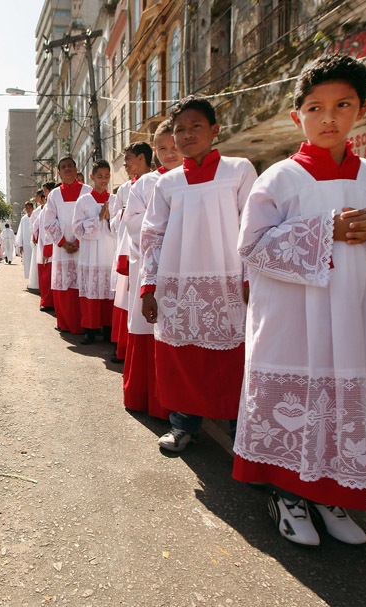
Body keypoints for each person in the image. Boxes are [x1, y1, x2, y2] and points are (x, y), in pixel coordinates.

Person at [234, 54, 366, 546]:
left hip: (353, 315)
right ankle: (287, 493)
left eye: (342, 105)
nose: (328, 117)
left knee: (341, 403)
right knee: (292, 403)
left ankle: (332, 494)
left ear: (361, 110)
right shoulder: (279, 178)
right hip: (289, 318)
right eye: (315, 107)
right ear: (298, 114)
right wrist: (324, 230)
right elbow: (252, 247)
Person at [140, 97, 257, 452]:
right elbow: (152, 236)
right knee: (182, 360)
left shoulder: (239, 170)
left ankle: (242, 433)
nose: (187, 135)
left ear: (215, 130)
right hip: (178, 283)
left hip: (228, 283)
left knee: (233, 361)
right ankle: (182, 425)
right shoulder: (167, 183)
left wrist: (252, 280)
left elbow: (255, 229)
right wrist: (148, 286)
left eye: (196, 127)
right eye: (179, 130)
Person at [125, 130, 181, 416]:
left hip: (187, 267)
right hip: (152, 264)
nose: (170, 153)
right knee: (151, 324)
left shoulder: (193, 178)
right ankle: (152, 400)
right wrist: (159, 225)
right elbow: (131, 221)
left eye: (175, 146)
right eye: (163, 148)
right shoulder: (147, 182)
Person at [111, 143, 151, 364]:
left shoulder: (156, 182)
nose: (124, 163)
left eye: (128, 158)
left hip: (146, 251)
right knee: (126, 300)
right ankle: (124, 348)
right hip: (127, 249)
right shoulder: (124, 188)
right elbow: (114, 222)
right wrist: (123, 214)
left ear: (142, 158)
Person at [43, 158, 92, 334]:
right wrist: (63, 242)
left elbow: (92, 217)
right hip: (62, 248)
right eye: (63, 167)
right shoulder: (54, 195)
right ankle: (65, 322)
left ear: (76, 168)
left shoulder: (87, 191)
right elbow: (48, 221)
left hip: (84, 245)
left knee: (84, 284)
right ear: (59, 172)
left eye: (70, 166)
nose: (67, 169)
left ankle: (87, 324)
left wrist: (79, 240)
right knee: (64, 285)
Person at [72, 159, 116, 344]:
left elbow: (121, 226)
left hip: (109, 251)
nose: (103, 180)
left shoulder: (114, 199)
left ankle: (108, 330)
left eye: (106, 176)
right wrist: (98, 218)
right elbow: (76, 228)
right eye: (100, 176)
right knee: (91, 291)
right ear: (92, 177)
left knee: (108, 293)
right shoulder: (83, 201)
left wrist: (110, 219)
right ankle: (89, 330)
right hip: (90, 254)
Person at [35, 182, 57, 309]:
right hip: (48, 245)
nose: (44, 194)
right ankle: (48, 302)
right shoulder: (46, 207)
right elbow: (42, 228)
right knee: (48, 277)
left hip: (57, 245)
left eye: (45, 191)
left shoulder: (52, 206)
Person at [16, 202, 35, 281]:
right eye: (26, 208)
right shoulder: (23, 219)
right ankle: (30, 280)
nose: (28, 210)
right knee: (27, 263)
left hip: (35, 244)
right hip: (26, 244)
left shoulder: (36, 217)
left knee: (34, 262)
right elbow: (20, 232)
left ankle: (35, 280)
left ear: (33, 208)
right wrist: (20, 245)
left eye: (29, 208)